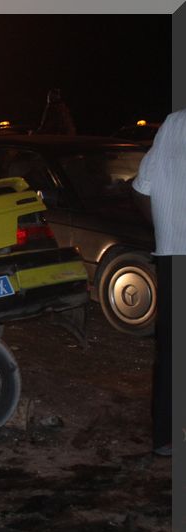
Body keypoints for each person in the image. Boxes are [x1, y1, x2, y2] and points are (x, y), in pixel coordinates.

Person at [132, 108, 185, 458]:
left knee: (171, 349)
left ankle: (165, 434)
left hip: (172, 255)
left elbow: (141, 189)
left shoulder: (173, 124)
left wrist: (164, 226)